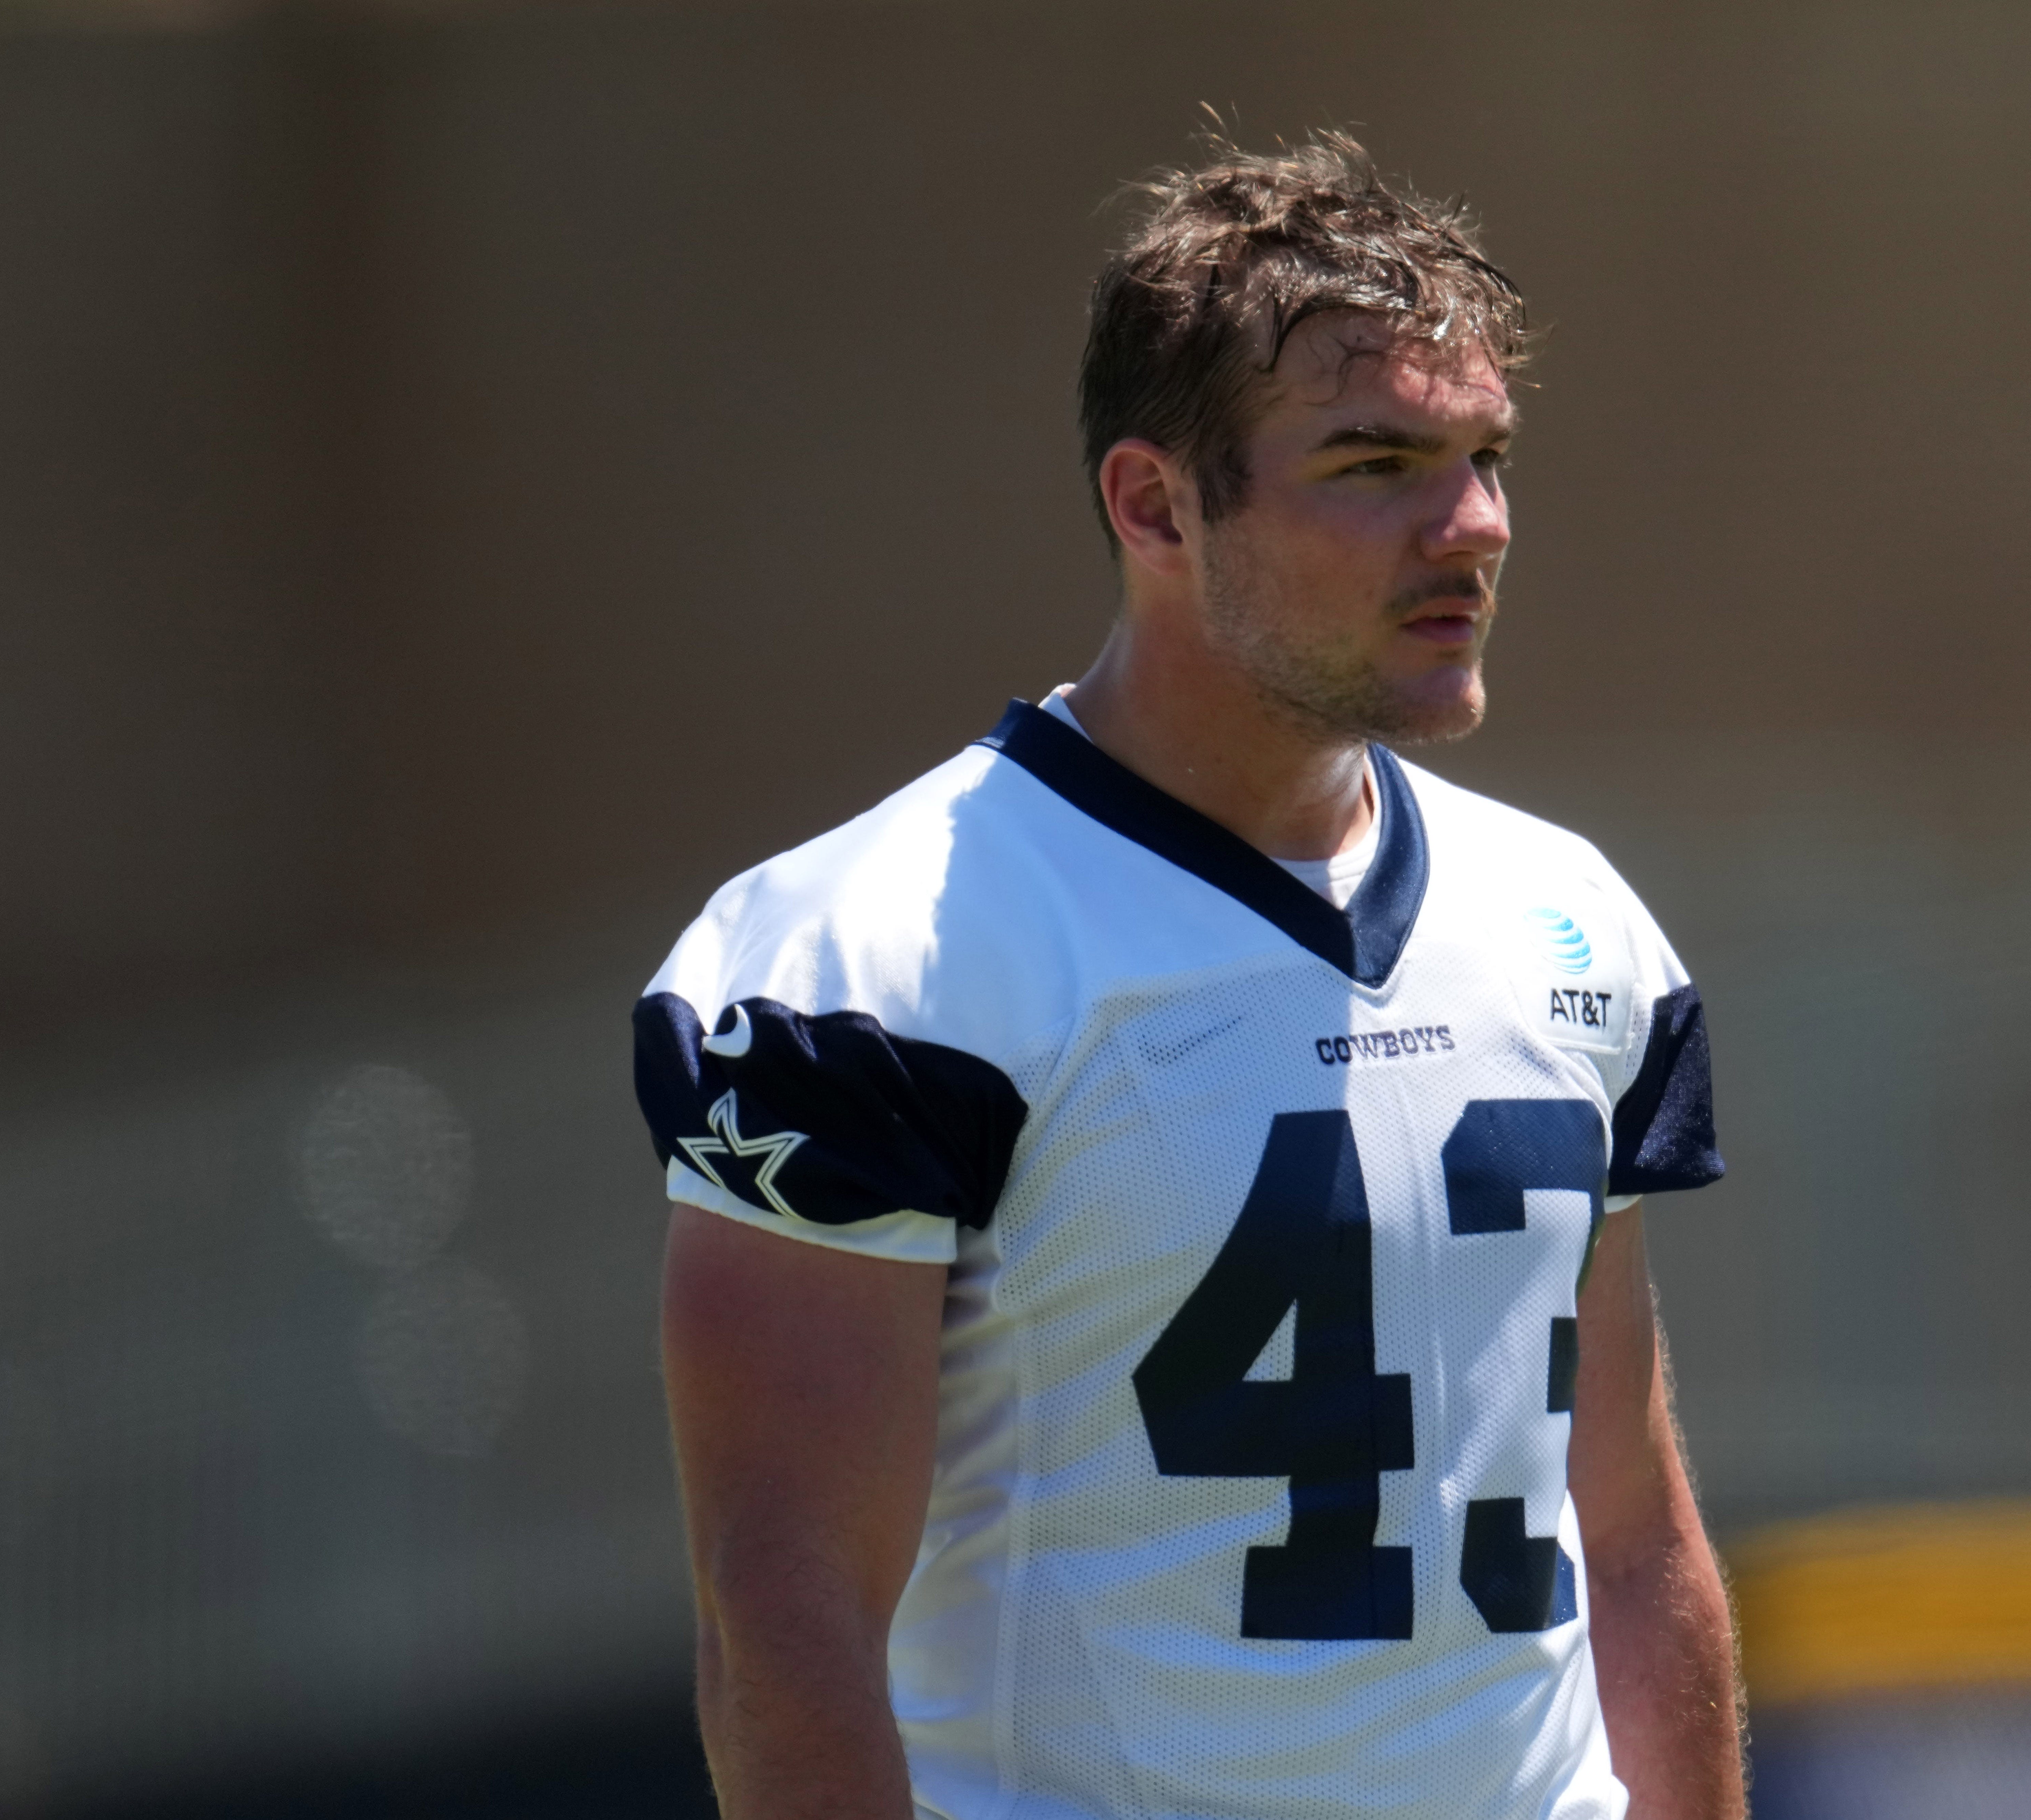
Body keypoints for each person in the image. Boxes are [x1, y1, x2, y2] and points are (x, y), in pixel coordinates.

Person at [633, 131, 1744, 1820]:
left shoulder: (1570, 919)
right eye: (1373, 461)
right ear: (1154, 503)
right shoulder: (875, 958)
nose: (1469, 526)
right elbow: (782, 1611)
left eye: (1485, 455)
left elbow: (1634, 1526)